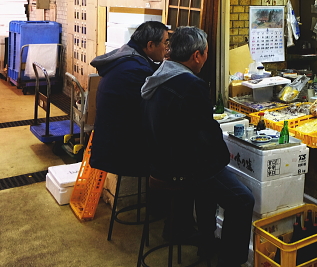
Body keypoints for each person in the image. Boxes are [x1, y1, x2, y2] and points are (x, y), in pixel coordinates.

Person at [141, 26, 254, 267]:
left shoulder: (160, 74)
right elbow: (207, 138)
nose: (205, 59)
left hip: (157, 163)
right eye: (205, 53)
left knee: (211, 179)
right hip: (180, 168)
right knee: (242, 199)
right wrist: (225, 158)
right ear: (196, 56)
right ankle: (230, 261)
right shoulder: (190, 85)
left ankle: (207, 242)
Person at [89, 20, 169, 176]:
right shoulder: (134, 69)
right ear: (151, 45)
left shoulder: (128, 57)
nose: (167, 48)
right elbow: (151, 107)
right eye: (165, 43)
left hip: (109, 140)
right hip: (119, 148)